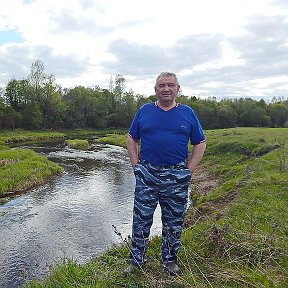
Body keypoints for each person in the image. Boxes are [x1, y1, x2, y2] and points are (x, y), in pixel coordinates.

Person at [125, 72, 206, 276]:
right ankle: (137, 260)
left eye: (171, 85)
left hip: (177, 175)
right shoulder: (144, 111)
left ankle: (169, 261)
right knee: (141, 220)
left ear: (178, 89)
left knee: (174, 221)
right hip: (147, 173)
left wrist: (189, 171)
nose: (166, 89)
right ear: (155, 90)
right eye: (162, 85)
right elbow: (131, 138)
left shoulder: (187, 113)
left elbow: (200, 143)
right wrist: (136, 166)